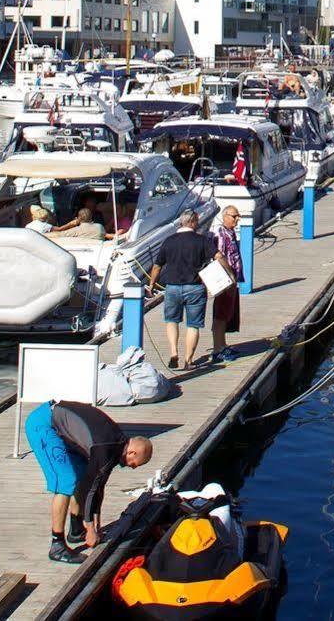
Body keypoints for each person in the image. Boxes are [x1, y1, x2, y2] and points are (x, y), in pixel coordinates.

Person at [24, 398, 152, 563]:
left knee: (83, 473)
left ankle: (77, 531)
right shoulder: (105, 448)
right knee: (66, 481)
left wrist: (96, 524)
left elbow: (98, 486)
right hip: (44, 424)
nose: (133, 467)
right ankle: (57, 545)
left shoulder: (116, 446)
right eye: (136, 464)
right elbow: (91, 488)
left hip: (60, 426)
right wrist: (90, 527)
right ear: (132, 453)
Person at [154, 209, 217, 370]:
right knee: (193, 325)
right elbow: (218, 256)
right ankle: (188, 360)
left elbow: (157, 265)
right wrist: (227, 273)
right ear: (193, 222)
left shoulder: (169, 241)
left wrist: (152, 282)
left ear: (181, 222)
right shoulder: (201, 240)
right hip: (195, 287)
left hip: (173, 287)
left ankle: (174, 351)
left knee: (171, 321)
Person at [209, 205, 242, 363]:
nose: (237, 219)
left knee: (227, 313)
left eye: (238, 216)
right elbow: (219, 257)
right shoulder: (221, 234)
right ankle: (217, 349)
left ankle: (222, 345)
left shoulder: (231, 232)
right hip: (225, 281)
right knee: (220, 315)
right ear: (225, 216)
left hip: (232, 279)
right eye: (234, 216)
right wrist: (228, 278)